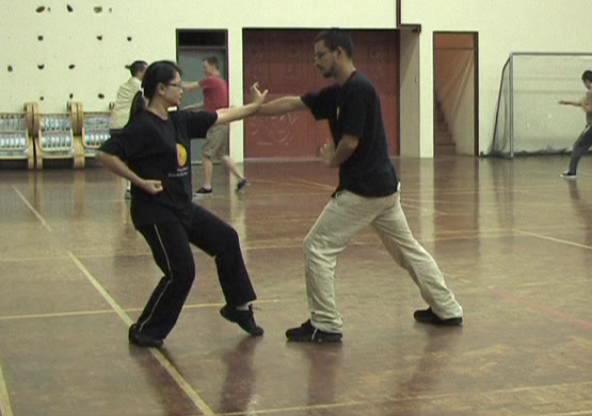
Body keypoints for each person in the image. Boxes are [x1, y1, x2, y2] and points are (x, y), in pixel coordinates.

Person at [253, 29, 464, 343]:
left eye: (320, 55)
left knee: (317, 247)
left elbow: (350, 142)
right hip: (382, 190)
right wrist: (259, 107)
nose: (315, 62)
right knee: (408, 251)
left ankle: (325, 324)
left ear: (339, 53)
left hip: (365, 189)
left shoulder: (359, 90)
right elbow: (294, 103)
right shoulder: (338, 92)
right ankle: (447, 309)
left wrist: (332, 161)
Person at [98, 60, 267, 348]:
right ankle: (146, 331)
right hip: (155, 212)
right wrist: (139, 181)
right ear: (161, 89)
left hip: (181, 207)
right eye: (177, 85)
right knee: (182, 272)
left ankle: (238, 307)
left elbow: (220, 115)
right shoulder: (142, 126)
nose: (182, 90)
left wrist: (253, 108)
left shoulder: (178, 121)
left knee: (226, 239)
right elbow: (106, 155)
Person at [182, 57, 248, 194]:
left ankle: (207, 186)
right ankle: (241, 179)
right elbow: (208, 105)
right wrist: (189, 109)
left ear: (213, 66)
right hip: (223, 121)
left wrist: (174, 82)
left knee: (207, 154)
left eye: (205, 67)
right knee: (221, 154)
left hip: (217, 123)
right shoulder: (221, 82)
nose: (204, 70)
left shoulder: (211, 81)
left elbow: (189, 87)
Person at [111, 60, 147, 197]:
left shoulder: (124, 86)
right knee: (135, 156)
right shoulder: (138, 86)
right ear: (140, 72)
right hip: (126, 124)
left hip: (115, 124)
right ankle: (131, 187)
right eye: (146, 70)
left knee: (128, 157)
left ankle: (130, 186)